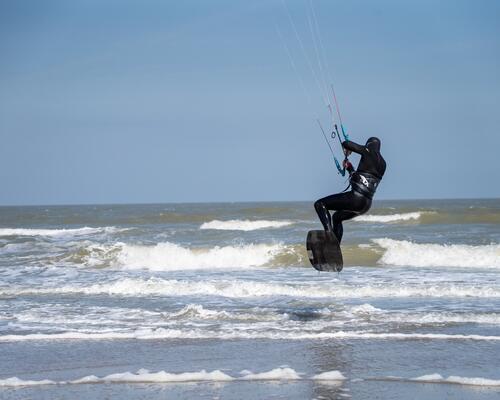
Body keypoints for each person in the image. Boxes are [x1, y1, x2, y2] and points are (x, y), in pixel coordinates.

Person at [314, 137, 386, 243]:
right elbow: (364, 179)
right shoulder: (383, 164)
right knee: (337, 218)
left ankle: (328, 235)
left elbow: (346, 143)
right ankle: (335, 246)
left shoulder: (368, 151)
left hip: (355, 198)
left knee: (320, 204)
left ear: (369, 145)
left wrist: (348, 148)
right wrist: (349, 168)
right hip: (365, 205)